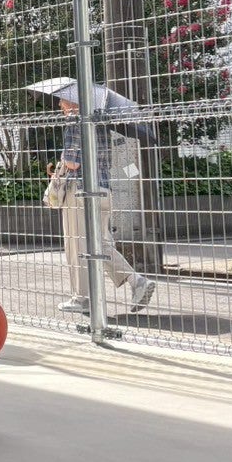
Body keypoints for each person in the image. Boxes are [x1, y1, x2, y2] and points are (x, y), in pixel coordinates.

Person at [52, 98, 157, 314]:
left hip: (80, 191)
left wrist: (61, 162)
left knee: (77, 245)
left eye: (63, 103)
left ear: (74, 103)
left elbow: (73, 162)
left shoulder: (75, 122)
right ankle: (136, 281)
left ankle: (83, 298)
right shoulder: (101, 125)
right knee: (99, 243)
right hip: (103, 190)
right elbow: (114, 159)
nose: (60, 107)